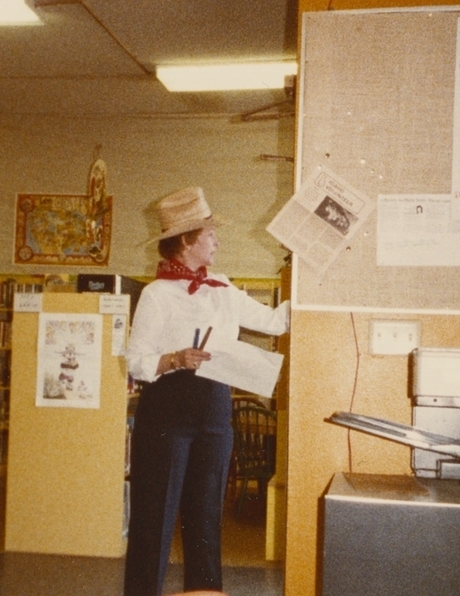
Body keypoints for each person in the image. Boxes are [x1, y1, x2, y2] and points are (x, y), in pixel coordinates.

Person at [123, 187, 290, 596]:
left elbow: (275, 323)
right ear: (187, 241)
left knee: (206, 517)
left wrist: (304, 274)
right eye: (211, 233)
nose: (218, 240)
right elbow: (136, 361)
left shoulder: (223, 287)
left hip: (215, 409)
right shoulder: (156, 294)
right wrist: (176, 358)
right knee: (155, 518)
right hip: (167, 410)